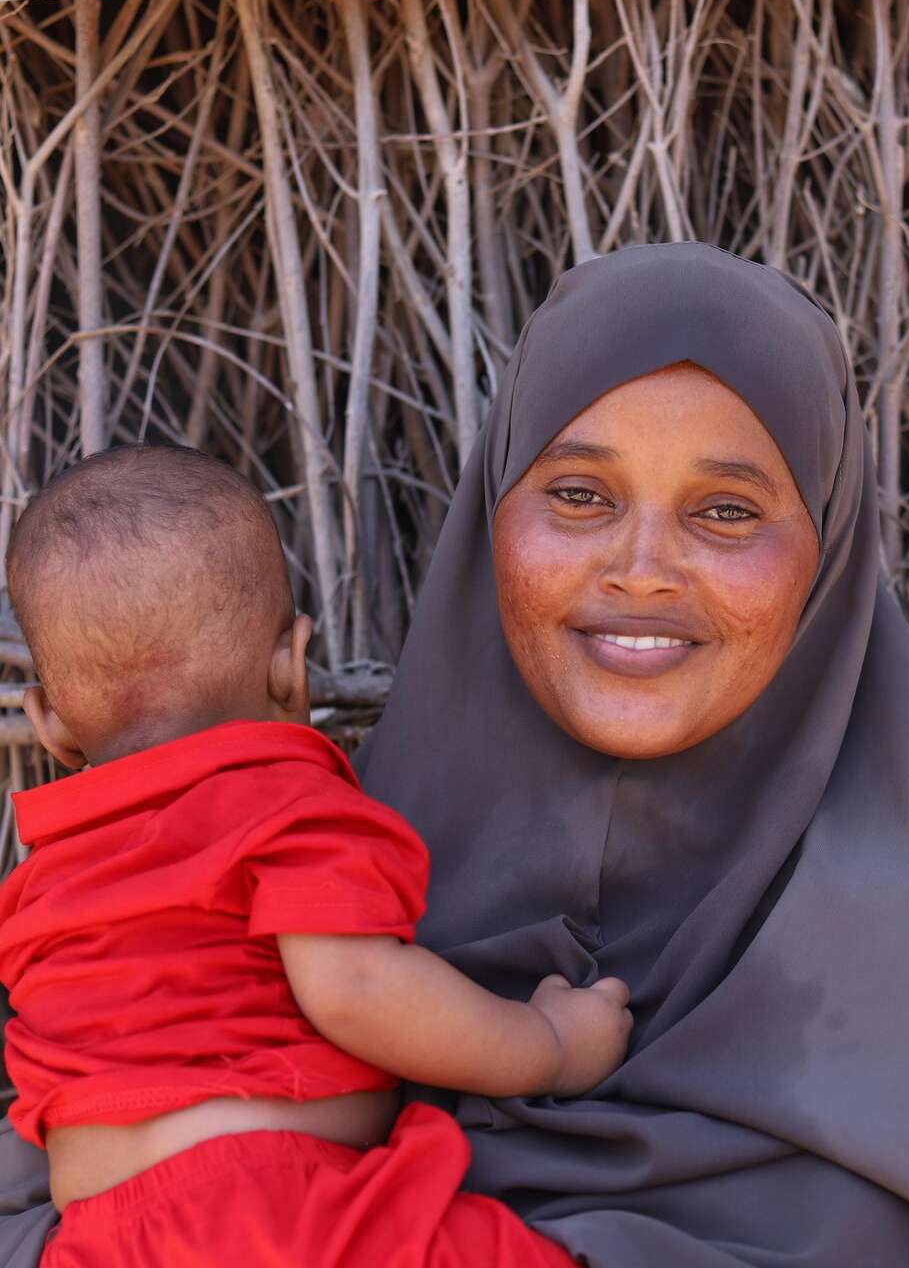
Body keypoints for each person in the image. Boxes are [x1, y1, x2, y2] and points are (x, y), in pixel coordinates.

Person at [0, 242, 909, 1266]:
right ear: (493, 514)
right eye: (580, 496)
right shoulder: (267, 904)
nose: (641, 565)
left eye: (724, 510)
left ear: (826, 556)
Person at [0, 447, 632, 1265]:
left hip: (95, 1238)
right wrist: (548, 1043)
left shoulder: (37, 884)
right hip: (278, 1209)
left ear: (48, 723)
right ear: (290, 664)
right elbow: (357, 988)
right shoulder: (284, 804)